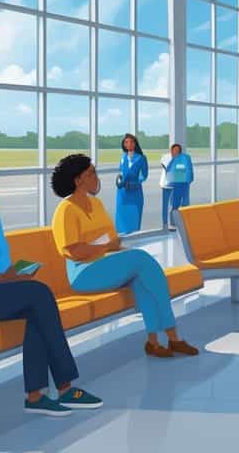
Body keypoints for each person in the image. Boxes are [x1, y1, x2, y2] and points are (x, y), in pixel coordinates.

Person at [0, 155, 102, 416]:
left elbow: (1, 264)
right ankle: (65, 387)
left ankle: (36, 397)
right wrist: (6, 278)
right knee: (39, 295)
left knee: (37, 310)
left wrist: (16, 272)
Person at [50, 154, 199, 359]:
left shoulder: (97, 205)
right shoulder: (65, 210)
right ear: (78, 181)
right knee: (141, 259)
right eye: (91, 173)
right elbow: (73, 252)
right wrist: (105, 247)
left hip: (104, 264)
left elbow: (113, 239)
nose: (96, 177)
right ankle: (174, 337)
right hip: (83, 273)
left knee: (141, 278)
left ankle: (153, 342)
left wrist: (112, 247)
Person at [115, 134, 147, 235]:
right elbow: (120, 172)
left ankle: (134, 238)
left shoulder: (141, 158)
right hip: (122, 192)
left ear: (135, 144)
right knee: (121, 217)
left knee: (133, 217)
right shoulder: (123, 157)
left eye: (131, 142)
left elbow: (144, 175)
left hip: (134, 192)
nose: (128, 144)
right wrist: (118, 180)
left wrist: (136, 183)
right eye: (126, 142)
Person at [159, 143, 194, 230]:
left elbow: (188, 171)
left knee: (182, 204)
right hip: (175, 184)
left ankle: (182, 223)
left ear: (179, 151)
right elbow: (169, 172)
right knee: (175, 205)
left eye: (177, 150)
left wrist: (188, 181)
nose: (175, 152)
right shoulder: (172, 160)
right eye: (173, 150)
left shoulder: (185, 158)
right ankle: (173, 224)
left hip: (182, 184)